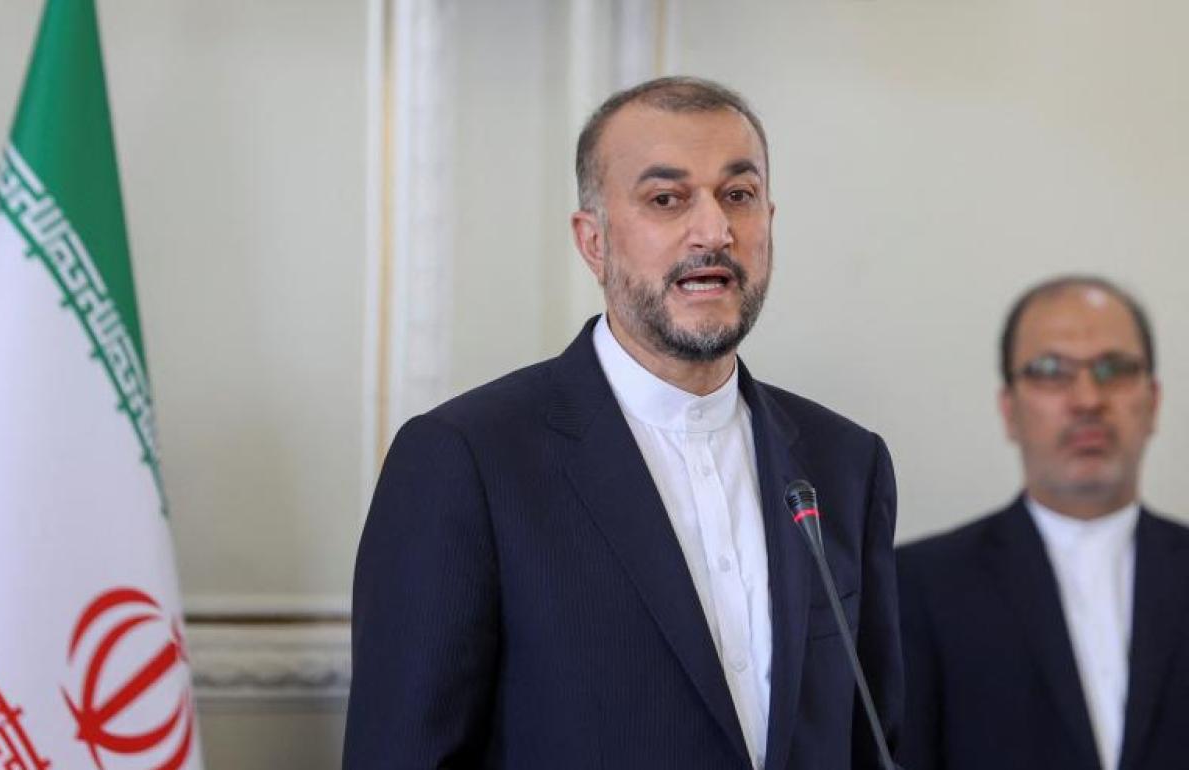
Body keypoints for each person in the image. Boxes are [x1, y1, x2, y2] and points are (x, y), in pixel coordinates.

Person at [343, 76, 902, 770]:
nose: (715, 231)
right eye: (667, 199)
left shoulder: (845, 463)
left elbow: (875, 738)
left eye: (738, 195)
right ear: (594, 242)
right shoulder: (466, 461)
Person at [897, 276, 1189, 770]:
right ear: (1009, 409)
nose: (1088, 399)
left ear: (1154, 401)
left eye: (1114, 368)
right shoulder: (918, 587)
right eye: (1051, 371)